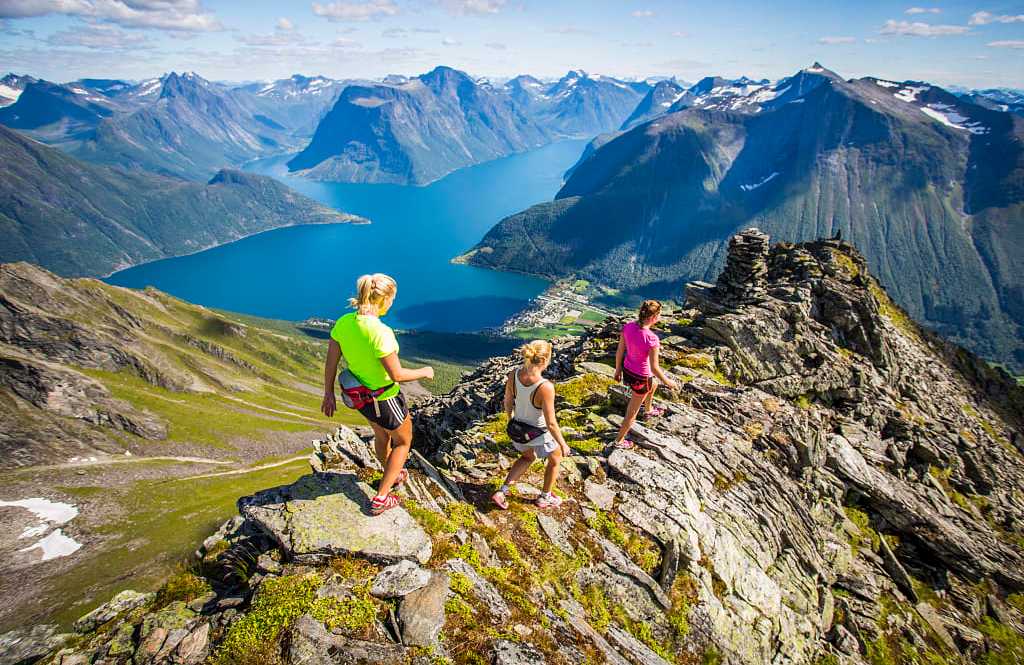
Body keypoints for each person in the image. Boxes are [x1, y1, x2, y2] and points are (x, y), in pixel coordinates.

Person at [321, 273, 434, 515]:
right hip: (385, 398)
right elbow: (397, 375)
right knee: (403, 442)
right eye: (392, 299)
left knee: (381, 436)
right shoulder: (381, 332)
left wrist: (328, 393)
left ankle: (391, 473)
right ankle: (381, 497)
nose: (392, 304)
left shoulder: (344, 323)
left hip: (361, 397)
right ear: (383, 299)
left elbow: (331, 362)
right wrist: (424, 371)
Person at [491, 340, 571, 510]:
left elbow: (507, 401)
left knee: (527, 457)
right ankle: (545, 497)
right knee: (555, 458)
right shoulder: (545, 387)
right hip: (539, 433)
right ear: (545, 360)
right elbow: (551, 422)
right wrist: (563, 444)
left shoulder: (514, 374)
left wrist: (510, 420)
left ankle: (502, 491)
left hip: (518, 430)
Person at [613, 299, 678, 449]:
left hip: (627, 371)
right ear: (654, 317)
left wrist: (617, 370)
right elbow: (654, 368)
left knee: (653, 384)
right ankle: (619, 441)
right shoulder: (652, 338)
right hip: (641, 378)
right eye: (659, 314)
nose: (660, 317)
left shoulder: (628, 327)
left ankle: (648, 410)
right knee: (632, 412)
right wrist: (668, 382)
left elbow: (620, 350)